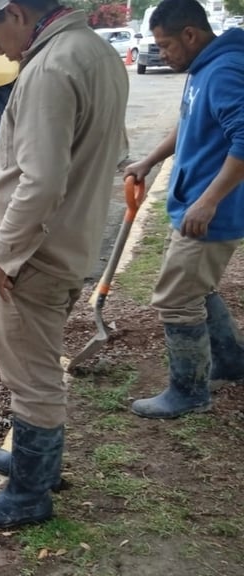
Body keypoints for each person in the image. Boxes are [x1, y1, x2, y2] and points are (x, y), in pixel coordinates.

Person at [0, 0, 129, 529]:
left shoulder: (50, 69)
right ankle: (37, 460)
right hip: (68, 239)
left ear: (14, 13)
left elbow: (41, 181)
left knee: (31, 372)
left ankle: (30, 493)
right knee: (36, 361)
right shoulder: (94, 53)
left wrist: (5, 254)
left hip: (36, 253)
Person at [124, 0, 244, 420]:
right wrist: (149, 160)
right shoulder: (203, 69)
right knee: (198, 289)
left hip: (211, 211)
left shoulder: (225, 69)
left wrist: (209, 201)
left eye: (166, 44)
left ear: (190, 34)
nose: (162, 53)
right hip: (198, 203)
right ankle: (231, 363)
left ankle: (189, 392)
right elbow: (189, 121)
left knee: (175, 298)